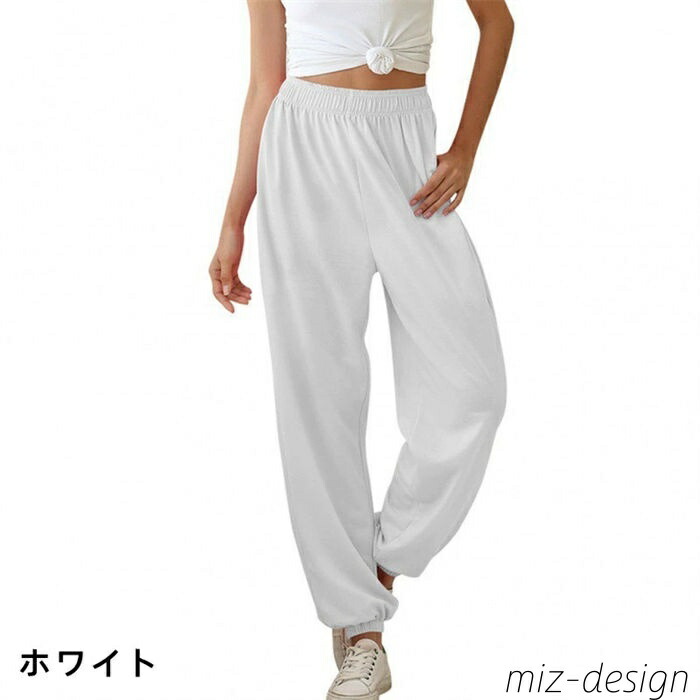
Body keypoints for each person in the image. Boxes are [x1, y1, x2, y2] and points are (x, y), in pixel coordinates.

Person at [209, 1, 514, 697]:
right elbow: (265, 82)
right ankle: (359, 631)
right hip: (302, 148)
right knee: (318, 392)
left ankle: (381, 562)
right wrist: (233, 219)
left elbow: (497, 22)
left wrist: (466, 148)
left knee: (474, 392)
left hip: (407, 152)